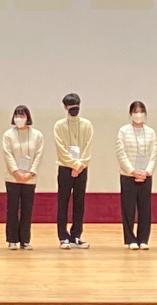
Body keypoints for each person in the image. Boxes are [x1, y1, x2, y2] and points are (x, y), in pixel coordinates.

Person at [116, 100, 157, 250]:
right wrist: (132, 171)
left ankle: (143, 239)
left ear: (145, 114)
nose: (138, 115)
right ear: (130, 114)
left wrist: (147, 171)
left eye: (141, 112)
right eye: (135, 112)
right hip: (128, 175)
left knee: (145, 209)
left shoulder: (151, 132)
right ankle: (130, 239)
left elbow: (153, 154)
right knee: (128, 208)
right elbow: (121, 153)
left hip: (145, 175)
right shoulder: (123, 131)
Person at [54, 92, 93, 249]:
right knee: (63, 202)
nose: (74, 109)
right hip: (65, 168)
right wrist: (73, 165)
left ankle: (76, 235)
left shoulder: (87, 125)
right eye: (71, 106)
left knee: (79, 202)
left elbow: (88, 148)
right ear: (65, 107)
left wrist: (79, 165)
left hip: (82, 168)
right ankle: (63, 236)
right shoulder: (59, 126)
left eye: (76, 106)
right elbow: (61, 149)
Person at [2, 104, 43, 250]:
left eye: (22, 115)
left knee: (27, 209)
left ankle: (25, 240)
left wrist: (30, 173)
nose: (19, 118)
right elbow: (8, 154)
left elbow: (38, 155)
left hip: (29, 178)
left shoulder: (37, 135)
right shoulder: (8, 135)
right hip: (12, 177)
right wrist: (16, 172)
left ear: (28, 117)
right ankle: (12, 239)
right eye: (17, 115)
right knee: (12, 209)